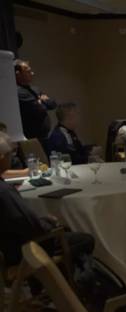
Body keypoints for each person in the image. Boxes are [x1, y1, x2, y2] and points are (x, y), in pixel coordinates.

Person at [0, 132, 94, 269]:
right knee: (85, 240)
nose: (11, 158)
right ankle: (67, 285)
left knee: (65, 229)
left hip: (7, 248)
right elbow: (32, 227)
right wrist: (50, 222)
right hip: (22, 251)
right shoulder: (4, 191)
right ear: (1, 157)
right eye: (10, 154)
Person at [15, 60, 57, 140]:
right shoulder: (18, 92)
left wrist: (41, 102)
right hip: (31, 137)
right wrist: (42, 100)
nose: (32, 73)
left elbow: (52, 104)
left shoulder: (35, 89)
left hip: (44, 136)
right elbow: (39, 108)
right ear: (18, 74)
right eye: (28, 71)